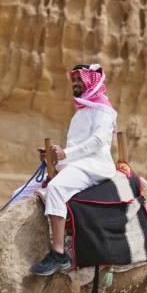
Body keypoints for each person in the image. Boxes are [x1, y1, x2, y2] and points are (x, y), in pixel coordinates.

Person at [30, 64, 118, 276]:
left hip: (95, 165)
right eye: (74, 80)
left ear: (92, 82)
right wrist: (53, 158)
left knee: (57, 188)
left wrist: (65, 154)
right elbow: (76, 146)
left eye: (80, 80)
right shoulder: (82, 111)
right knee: (23, 193)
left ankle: (59, 254)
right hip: (77, 163)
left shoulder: (104, 111)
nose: (76, 84)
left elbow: (97, 142)